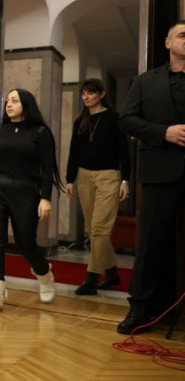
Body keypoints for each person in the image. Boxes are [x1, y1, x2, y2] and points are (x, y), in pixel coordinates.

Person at [116, 20, 185, 334]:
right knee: (150, 243)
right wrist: (163, 133)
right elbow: (126, 119)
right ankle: (141, 308)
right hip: (159, 172)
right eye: (182, 35)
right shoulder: (145, 81)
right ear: (168, 43)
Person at [0, 89, 63, 313]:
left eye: (15, 101)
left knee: (25, 243)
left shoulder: (41, 133)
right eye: (7, 101)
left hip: (26, 191)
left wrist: (45, 198)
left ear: (26, 104)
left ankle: (45, 275)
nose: (8, 105)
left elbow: (47, 168)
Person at [65, 78, 130, 295]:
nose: (86, 97)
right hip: (84, 177)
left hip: (109, 177)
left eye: (91, 93)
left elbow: (124, 150)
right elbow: (74, 152)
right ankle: (112, 273)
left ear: (102, 94)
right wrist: (69, 179)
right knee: (93, 230)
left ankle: (92, 279)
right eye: (83, 93)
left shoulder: (114, 118)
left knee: (99, 228)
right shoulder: (80, 121)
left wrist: (125, 179)